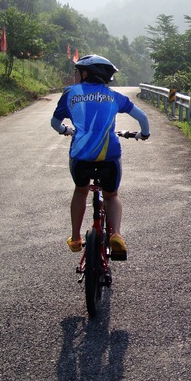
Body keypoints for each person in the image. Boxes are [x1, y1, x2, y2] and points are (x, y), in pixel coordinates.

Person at [51, 54, 150, 259]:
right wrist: (144, 134)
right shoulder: (113, 96)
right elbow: (142, 117)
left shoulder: (70, 93)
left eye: (77, 72)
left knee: (81, 190)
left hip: (81, 158)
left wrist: (65, 130)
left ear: (85, 73)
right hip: (109, 157)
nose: (75, 76)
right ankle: (116, 235)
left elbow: (55, 123)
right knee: (111, 195)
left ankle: (76, 237)